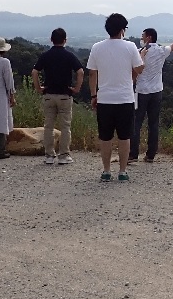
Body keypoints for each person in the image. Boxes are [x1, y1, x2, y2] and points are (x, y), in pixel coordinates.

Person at [86, 13, 144, 183]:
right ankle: (123, 171)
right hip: (125, 98)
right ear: (122, 30)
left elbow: (92, 73)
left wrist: (93, 95)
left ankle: (106, 170)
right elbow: (139, 69)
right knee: (125, 137)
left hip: (104, 98)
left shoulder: (97, 47)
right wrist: (143, 59)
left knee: (105, 137)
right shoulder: (131, 47)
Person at [129, 29, 173, 163]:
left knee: (136, 123)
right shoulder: (162, 50)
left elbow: (134, 71)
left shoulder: (140, 53)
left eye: (143, 36)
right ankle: (151, 154)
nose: (141, 38)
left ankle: (133, 154)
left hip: (141, 92)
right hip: (157, 91)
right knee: (153, 123)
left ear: (148, 38)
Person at [31, 27, 85, 165]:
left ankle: (49, 155)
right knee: (65, 126)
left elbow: (34, 72)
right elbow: (80, 72)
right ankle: (64, 155)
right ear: (65, 40)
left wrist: (38, 88)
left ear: (51, 40)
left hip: (48, 94)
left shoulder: (46, 55)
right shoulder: (69, 55)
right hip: (65, 95)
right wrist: (76, 88)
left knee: (48, 126)